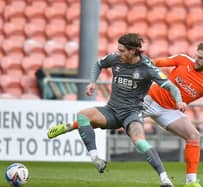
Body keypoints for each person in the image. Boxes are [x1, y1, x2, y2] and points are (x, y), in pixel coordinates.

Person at [48, 41, 203, 187]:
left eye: (200, 58)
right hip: (147, 99)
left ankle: (191, 182)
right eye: (196, 55)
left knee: (194, 135)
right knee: (103, 121)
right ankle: (69, 126)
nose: (195, 59)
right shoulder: (182, 60)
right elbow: (154, 63)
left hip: (168, 110)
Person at [48, 33, 187, 187]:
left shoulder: (147, 67)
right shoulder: (115, 58)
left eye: (122, 51)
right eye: (118, 50)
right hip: (112, 111)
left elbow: (171, 87)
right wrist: (92, 82)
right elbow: (98, 64)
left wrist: (179, 101)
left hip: (132, 114)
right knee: (82, 116)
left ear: (133, 51)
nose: (118, 53)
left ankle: (165, 179)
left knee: (140, 143)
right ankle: (96, 158)